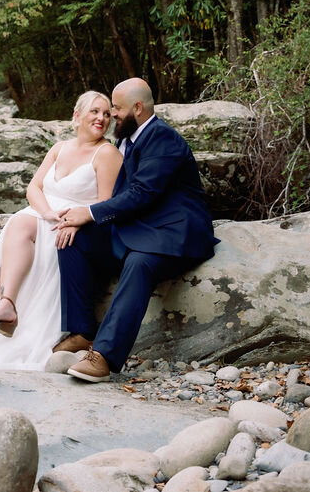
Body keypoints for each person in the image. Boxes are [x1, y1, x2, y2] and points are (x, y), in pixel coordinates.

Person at [0, 91, 122, 370]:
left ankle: (3, 325)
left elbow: (108, 204)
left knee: (30, 229)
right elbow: (33, 188)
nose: (102, 118)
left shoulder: (106, 153)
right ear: (77, 116)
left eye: (107, 114)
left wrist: (75, 220)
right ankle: (6, 304)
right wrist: (46, 213)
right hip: (46, 216)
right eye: (95, 111)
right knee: (19, 222)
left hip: (75, 225)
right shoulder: (59, 148)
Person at [52, 77, 217, 382]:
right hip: (139, 228)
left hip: (174, 233)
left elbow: (142, 193)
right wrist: (80, 218)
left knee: (138, 263)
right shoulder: (126, 139)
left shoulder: (162, 138)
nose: (111, 114)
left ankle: (103, 357)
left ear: (137, 108)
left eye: (116, 108)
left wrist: (89, 212)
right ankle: (81, 330)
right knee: (73, 238)